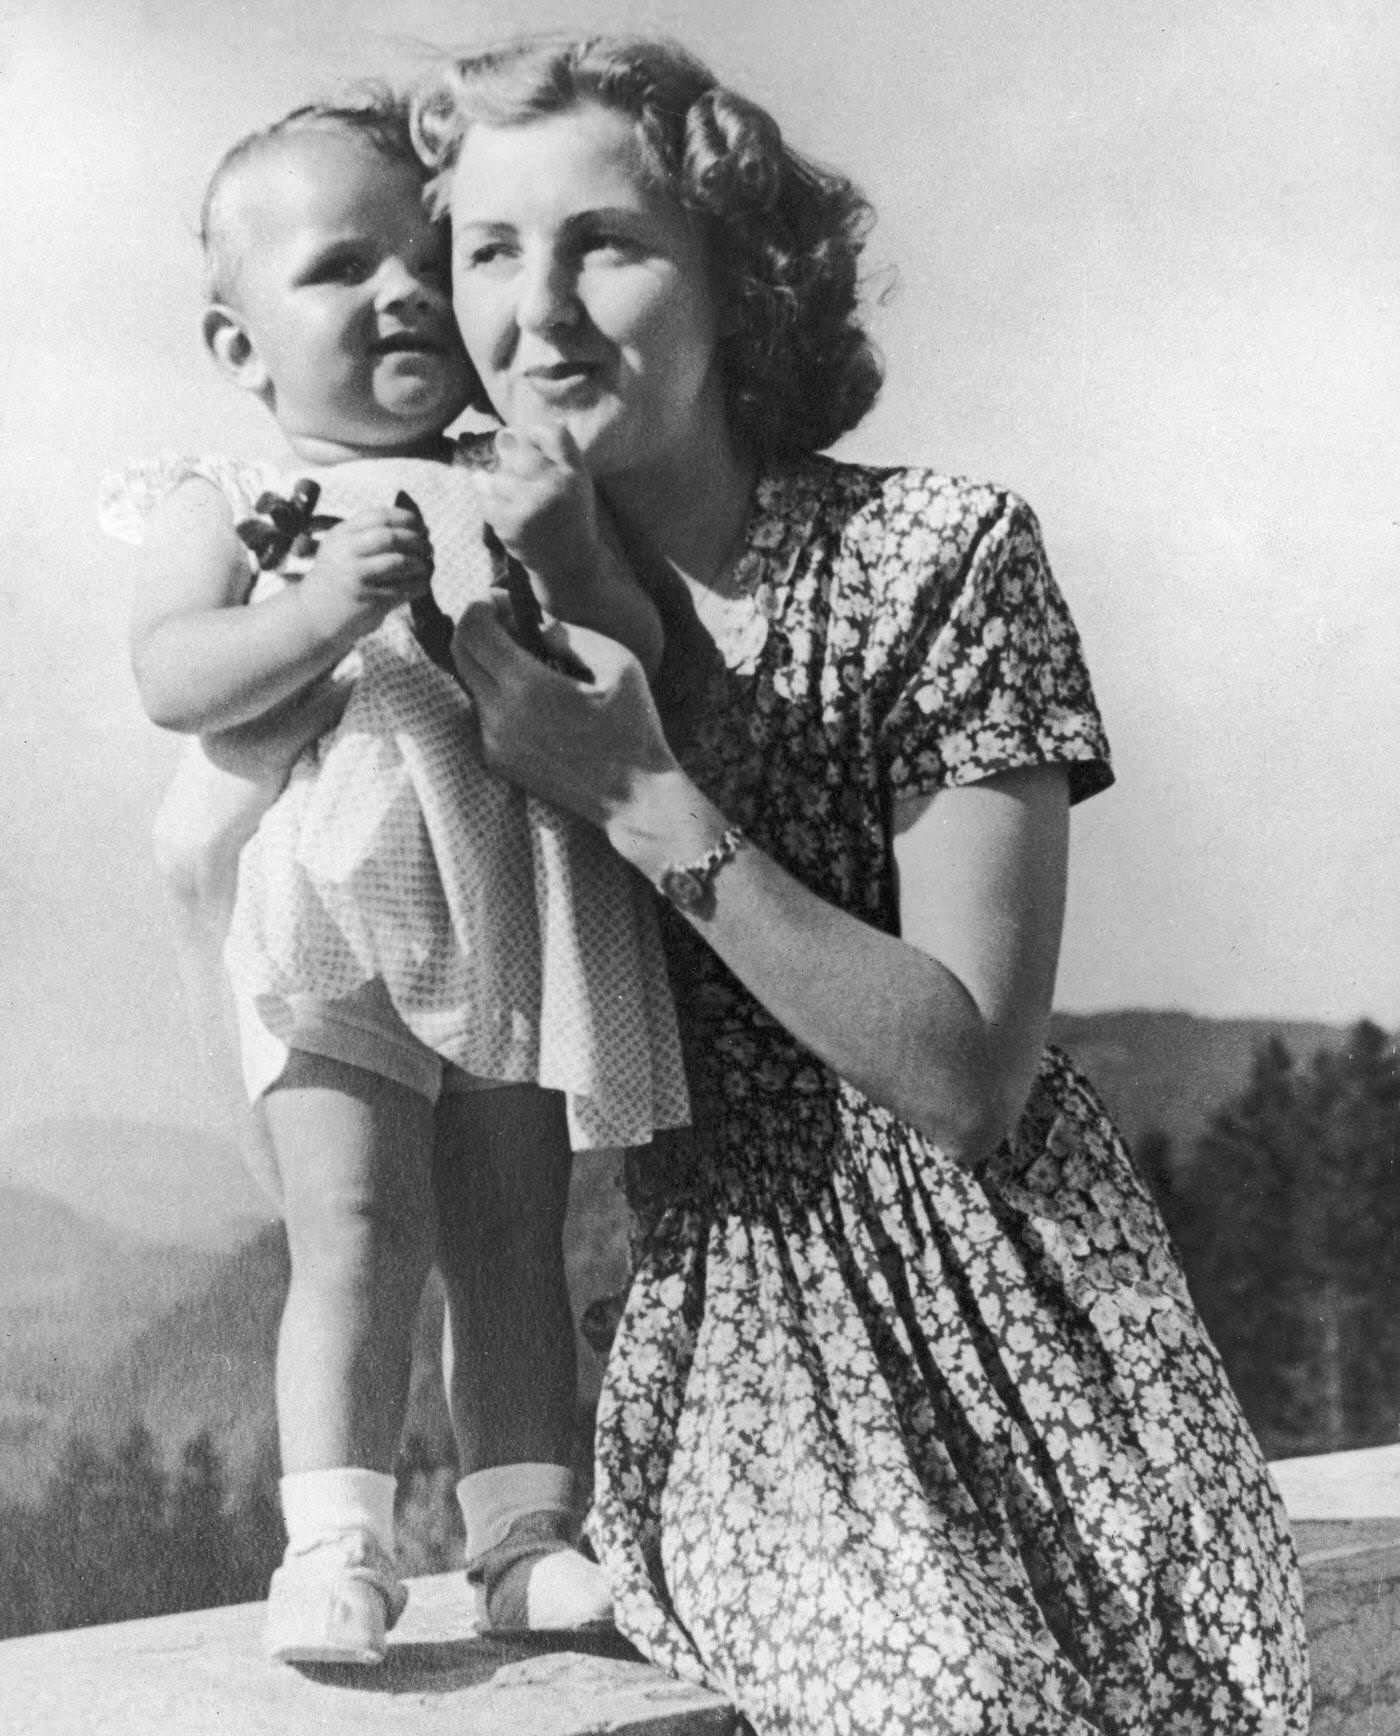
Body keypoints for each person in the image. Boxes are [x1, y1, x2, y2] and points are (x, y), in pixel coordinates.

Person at [411, 33, 1312, 1735]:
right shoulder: (480, 625)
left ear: (738, 276)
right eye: (487, 252)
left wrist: (643, 794)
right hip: (741, 1351)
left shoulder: (939, 556)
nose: (542, 314)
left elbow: (969, 1076)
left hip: (1036, 1310)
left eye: (608, 242)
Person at [101, 94, 689, 1663]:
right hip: (334, 923)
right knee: (355, 1230)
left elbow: (628, 643)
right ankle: (336, 1542)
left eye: (427, 256)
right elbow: (174, 670)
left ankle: (522, 1538)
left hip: (511, 910)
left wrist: (563, 566)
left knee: (516, 1231)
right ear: (241, 348)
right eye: (340, 269)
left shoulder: (507, 470)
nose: (405, 293)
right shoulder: (233, 497)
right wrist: (313, 613)